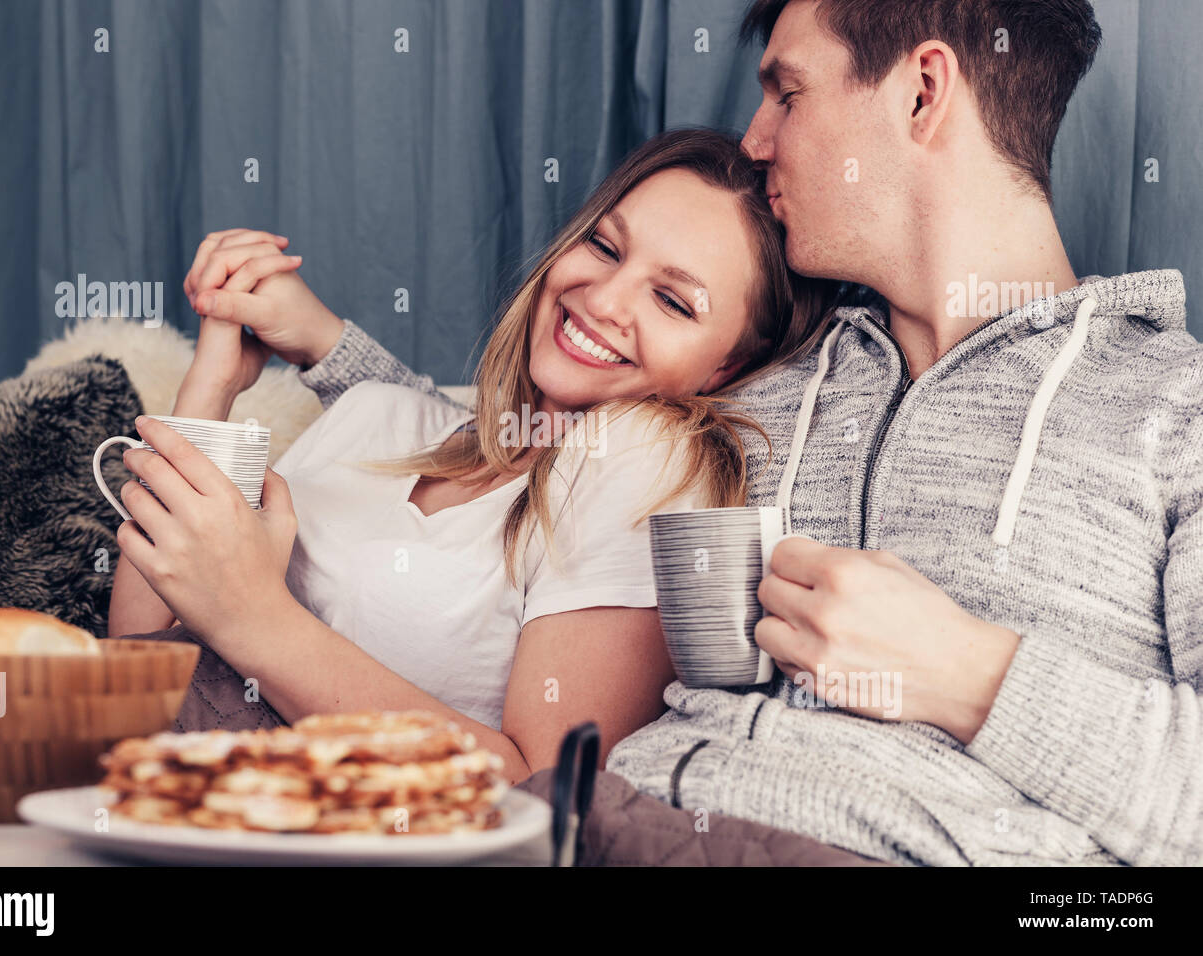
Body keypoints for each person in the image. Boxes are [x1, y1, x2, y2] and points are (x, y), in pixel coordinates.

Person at [186, 0, 1201, 866]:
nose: (756, 142)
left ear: (921, 92)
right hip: (601, 826)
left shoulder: (1175, 410)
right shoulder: (762, 376)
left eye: (787, 93)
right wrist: (322, 345)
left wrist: (974, 673)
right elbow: (508, 447)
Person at [107, 128, 839, 784]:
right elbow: (137, 657)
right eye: (605, 247)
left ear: (725, 370)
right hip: (166, 793)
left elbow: (543, 786)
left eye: (674, 303)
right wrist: (212, 381)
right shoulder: (379, 414)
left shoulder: (646, 460)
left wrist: (257, 620)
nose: (604, 299)